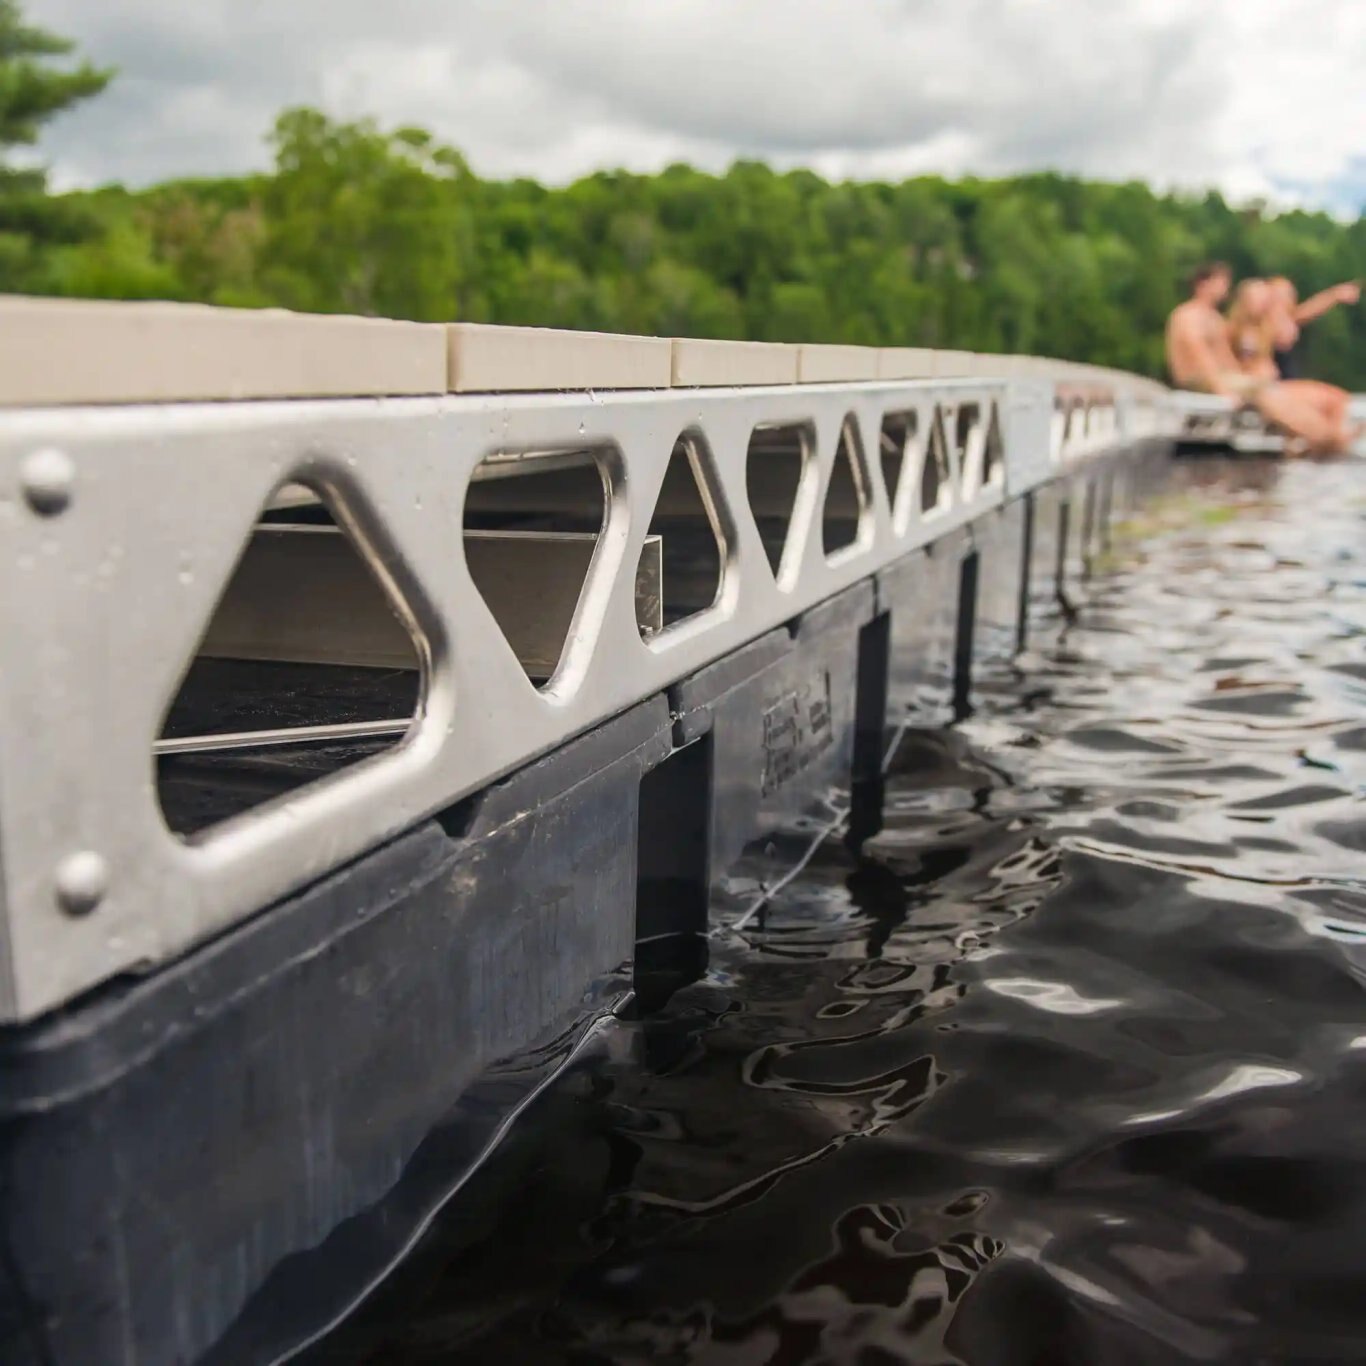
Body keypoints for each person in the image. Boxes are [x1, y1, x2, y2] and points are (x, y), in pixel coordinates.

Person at [1165, 263, 1359, 455]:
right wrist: (1222, 388)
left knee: (1272, 390)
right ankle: (1325, 438)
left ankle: (1324, 436)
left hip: (1225, 378)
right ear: (1203, 284)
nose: (1225, 288)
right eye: (1221, 282)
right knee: (1265, 391)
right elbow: (1200, 355)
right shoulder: (1188, 315)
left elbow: (1226, 359)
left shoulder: (1215, 318)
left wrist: (1242, 377)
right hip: (1198, 380)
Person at [1268, 276, 1360, 379]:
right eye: (1281, 296)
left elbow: (1304, 313)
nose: (1288, 299)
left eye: (1290, 294)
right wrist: (1335, 294)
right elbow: (1303, 314)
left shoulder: (1287, 320)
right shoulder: (1262, 326)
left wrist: (1335, 294)